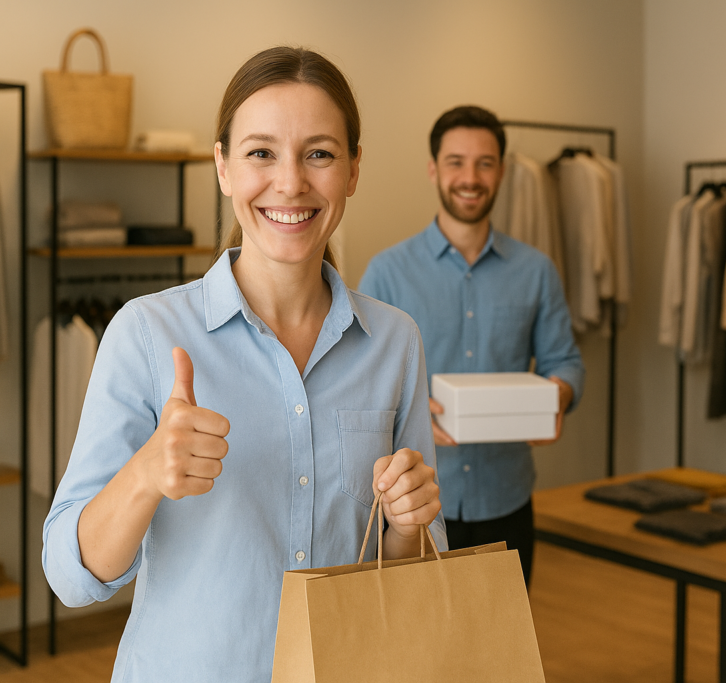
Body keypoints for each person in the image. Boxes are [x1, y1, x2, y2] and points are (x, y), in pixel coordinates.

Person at [42, 47, 445, 682]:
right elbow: (70, 578)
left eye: (319, 154)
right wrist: (146, 473)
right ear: (223, 167)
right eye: (261, 152)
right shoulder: (146, 334)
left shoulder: (396, 342)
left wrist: (406, 524)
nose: (290, 182)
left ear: (353, 170)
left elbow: (414, 572)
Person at [359, 105, 584, 587]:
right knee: (418, 633)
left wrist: (557, 396)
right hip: (413, 507)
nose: (470, 178)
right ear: (433, 170)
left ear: (501, 172)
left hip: (507, 497)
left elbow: (564, 361)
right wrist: (414, 409)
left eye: (485, 163)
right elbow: (360, 381)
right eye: (456, 162)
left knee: (506, 634)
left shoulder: (536, 271)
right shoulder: (387, 272)